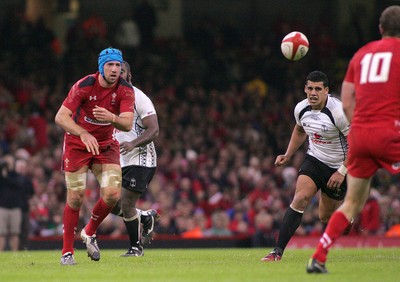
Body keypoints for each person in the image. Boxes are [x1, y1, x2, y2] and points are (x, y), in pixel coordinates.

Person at [306, 6, 400, 274]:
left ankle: (319, 256)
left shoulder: (361, 55)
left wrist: (360, 124)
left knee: (352, 202)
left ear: (380, 29)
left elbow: (347, 100)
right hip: (390, 132)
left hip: (359, 134)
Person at [55, 47, 135, 265]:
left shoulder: (126, 90)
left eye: (118, 65)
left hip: (106, 145)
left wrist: (111, 117)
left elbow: (127, 123)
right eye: (110, 65)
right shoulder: (83, 86)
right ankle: (67, 253)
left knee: (112, 194)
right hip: (77, 144)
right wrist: (82, 133)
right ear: (101, 67)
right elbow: (61, 117)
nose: (115, 69)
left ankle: (89, 232)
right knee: (76, 197)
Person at [261, 71, 351, 262]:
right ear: (305, 89)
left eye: (318, 89)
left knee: (325, 217)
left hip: (338, 166)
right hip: (314, 160)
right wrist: (288, 154)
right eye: (310, 88)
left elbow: (357, 144)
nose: (313, 92)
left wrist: (342, 171)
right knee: (300, 198)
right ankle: (277, 252)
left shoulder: (339, 112)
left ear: (326, 91)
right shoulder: (301, 109)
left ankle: (345, 218)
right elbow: (300, 129)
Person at [110, 60, 160, 257]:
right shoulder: (109, 99)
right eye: (113, 71)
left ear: (128, 75)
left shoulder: (138, 97)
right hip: (118, 160)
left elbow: (154, 129)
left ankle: (135, 248)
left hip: (141, 159)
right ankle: (145, 217)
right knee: (111, 205)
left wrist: (133, 143)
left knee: (127, 204)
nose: (116, 74)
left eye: (121, 71)